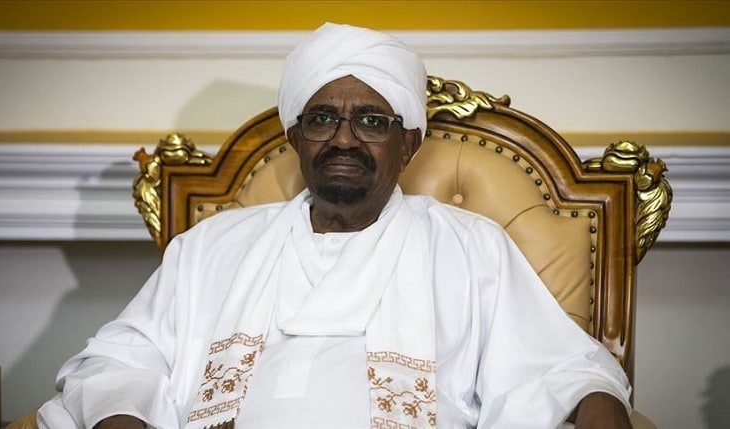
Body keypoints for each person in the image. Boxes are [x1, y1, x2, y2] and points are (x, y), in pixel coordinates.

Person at [37, 23, 633, 429]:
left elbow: (565, 369)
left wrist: (597, 401)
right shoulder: (214, 245)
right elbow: (121, 360)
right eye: (323, 118)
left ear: (408, 145)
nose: (344, 139)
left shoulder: (469, 247)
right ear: (296, 136)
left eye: (371, 121)